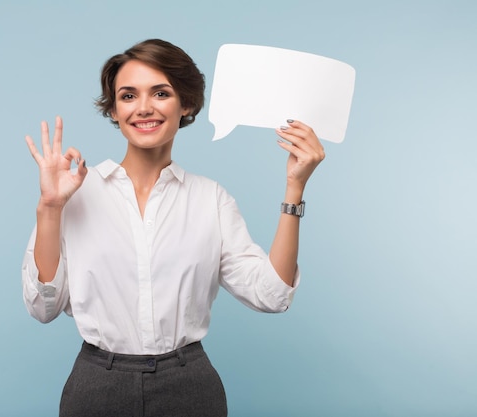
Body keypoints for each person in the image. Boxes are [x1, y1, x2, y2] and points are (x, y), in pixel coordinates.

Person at [22, 38, 324, 417]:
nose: (144, 108)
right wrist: (50, 207)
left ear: (187, 104)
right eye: (128, 96)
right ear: (113, 111)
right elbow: (42, 307)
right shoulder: (74, 192)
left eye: (160, 93)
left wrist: (294, 186)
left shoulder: (210, 199)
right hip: (97, 385)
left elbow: (272, 295)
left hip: (189, 387)